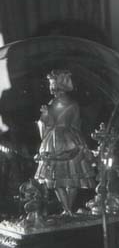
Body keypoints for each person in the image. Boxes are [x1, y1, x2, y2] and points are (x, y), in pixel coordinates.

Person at [35, 69, 96, 215]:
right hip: (57, 141)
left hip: (67, 140)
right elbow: (49, 124)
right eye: (51, 85)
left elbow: (75, 123)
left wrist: (46, 118)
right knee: (58, 178)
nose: (51, 89)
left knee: (71, 177)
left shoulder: (71, 104)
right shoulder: (53, 103)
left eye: (53, 85)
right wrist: (45, 116)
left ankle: (67, 209)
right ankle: (67, 209)